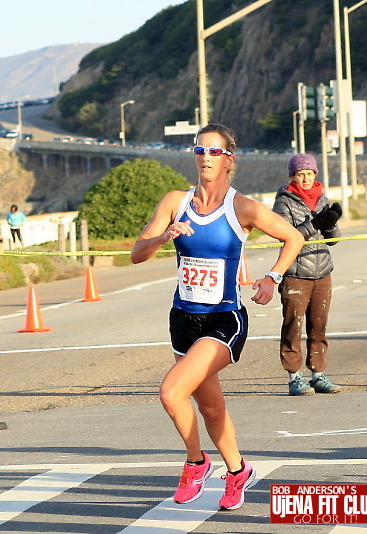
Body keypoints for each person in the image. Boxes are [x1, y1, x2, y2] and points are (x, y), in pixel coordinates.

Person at [130, 124, 304, 510]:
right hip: (183, 318)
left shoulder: (242, 207)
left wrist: (272, 278)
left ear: (229, 160)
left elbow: (294, 238)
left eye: (214, 152)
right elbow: (136, 252)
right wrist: (164, 237)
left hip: (224, 319)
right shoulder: (176, 201)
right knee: (210, 407)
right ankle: (238, 470)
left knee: (172, 392)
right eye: (200, 150)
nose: (206, 157)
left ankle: (196, 463)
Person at [272, 153, 343, 396]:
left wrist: (331, 222)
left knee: (319, 326)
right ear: (292, 176)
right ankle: (294, 377)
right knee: (293, 326)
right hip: (295, 272)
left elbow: (334, 240)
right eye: (300, 174)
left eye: (309, 173)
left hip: (323, 271)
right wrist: (315, 224)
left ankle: (318, 374)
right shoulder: (284, 201)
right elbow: (284, 234)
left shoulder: (322, 198)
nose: (305, 178)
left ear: (315, 175)